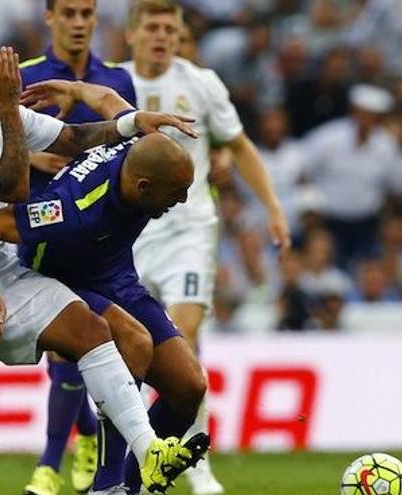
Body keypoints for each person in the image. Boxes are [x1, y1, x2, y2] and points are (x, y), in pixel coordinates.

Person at [0, 6, 204, 494]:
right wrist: (11, 106)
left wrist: (133, 123)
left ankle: (148, 453)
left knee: (90, 328)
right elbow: (14, 186)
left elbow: (74, 137)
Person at [0, 131, 215, 495]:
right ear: (143, 186)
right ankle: (107, 485)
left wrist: (80, 90)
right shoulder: (72, 208)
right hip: (62, 284)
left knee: (189, 386)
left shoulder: (138, 155)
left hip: (116, 276)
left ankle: (131, 487)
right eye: (176, 192)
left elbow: (124, 120)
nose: (182, 200)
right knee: (134, 341)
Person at [120, 1, 291, 494]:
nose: (160, 36)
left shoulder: (202, 83)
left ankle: (194, 461)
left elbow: (239, 146)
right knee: (127, 352)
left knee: (182, 339)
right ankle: (139, 454)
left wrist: (274, 208)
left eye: (168, 28)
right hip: (127, 236)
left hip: (188, 230)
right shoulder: (113, 83)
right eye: (151, 27)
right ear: (131, 35)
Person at [19, 0, 137, 492]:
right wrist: (31, 157)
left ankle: (73, 450)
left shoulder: (117, 82)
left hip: (104, 235)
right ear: (49, 18)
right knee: (67, 349)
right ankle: (54, 461)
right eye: (68, 12)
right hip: (45, 227)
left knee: (94, 346)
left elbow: (129, 147)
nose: (78, 22)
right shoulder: (26, 76)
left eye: (86, 13)